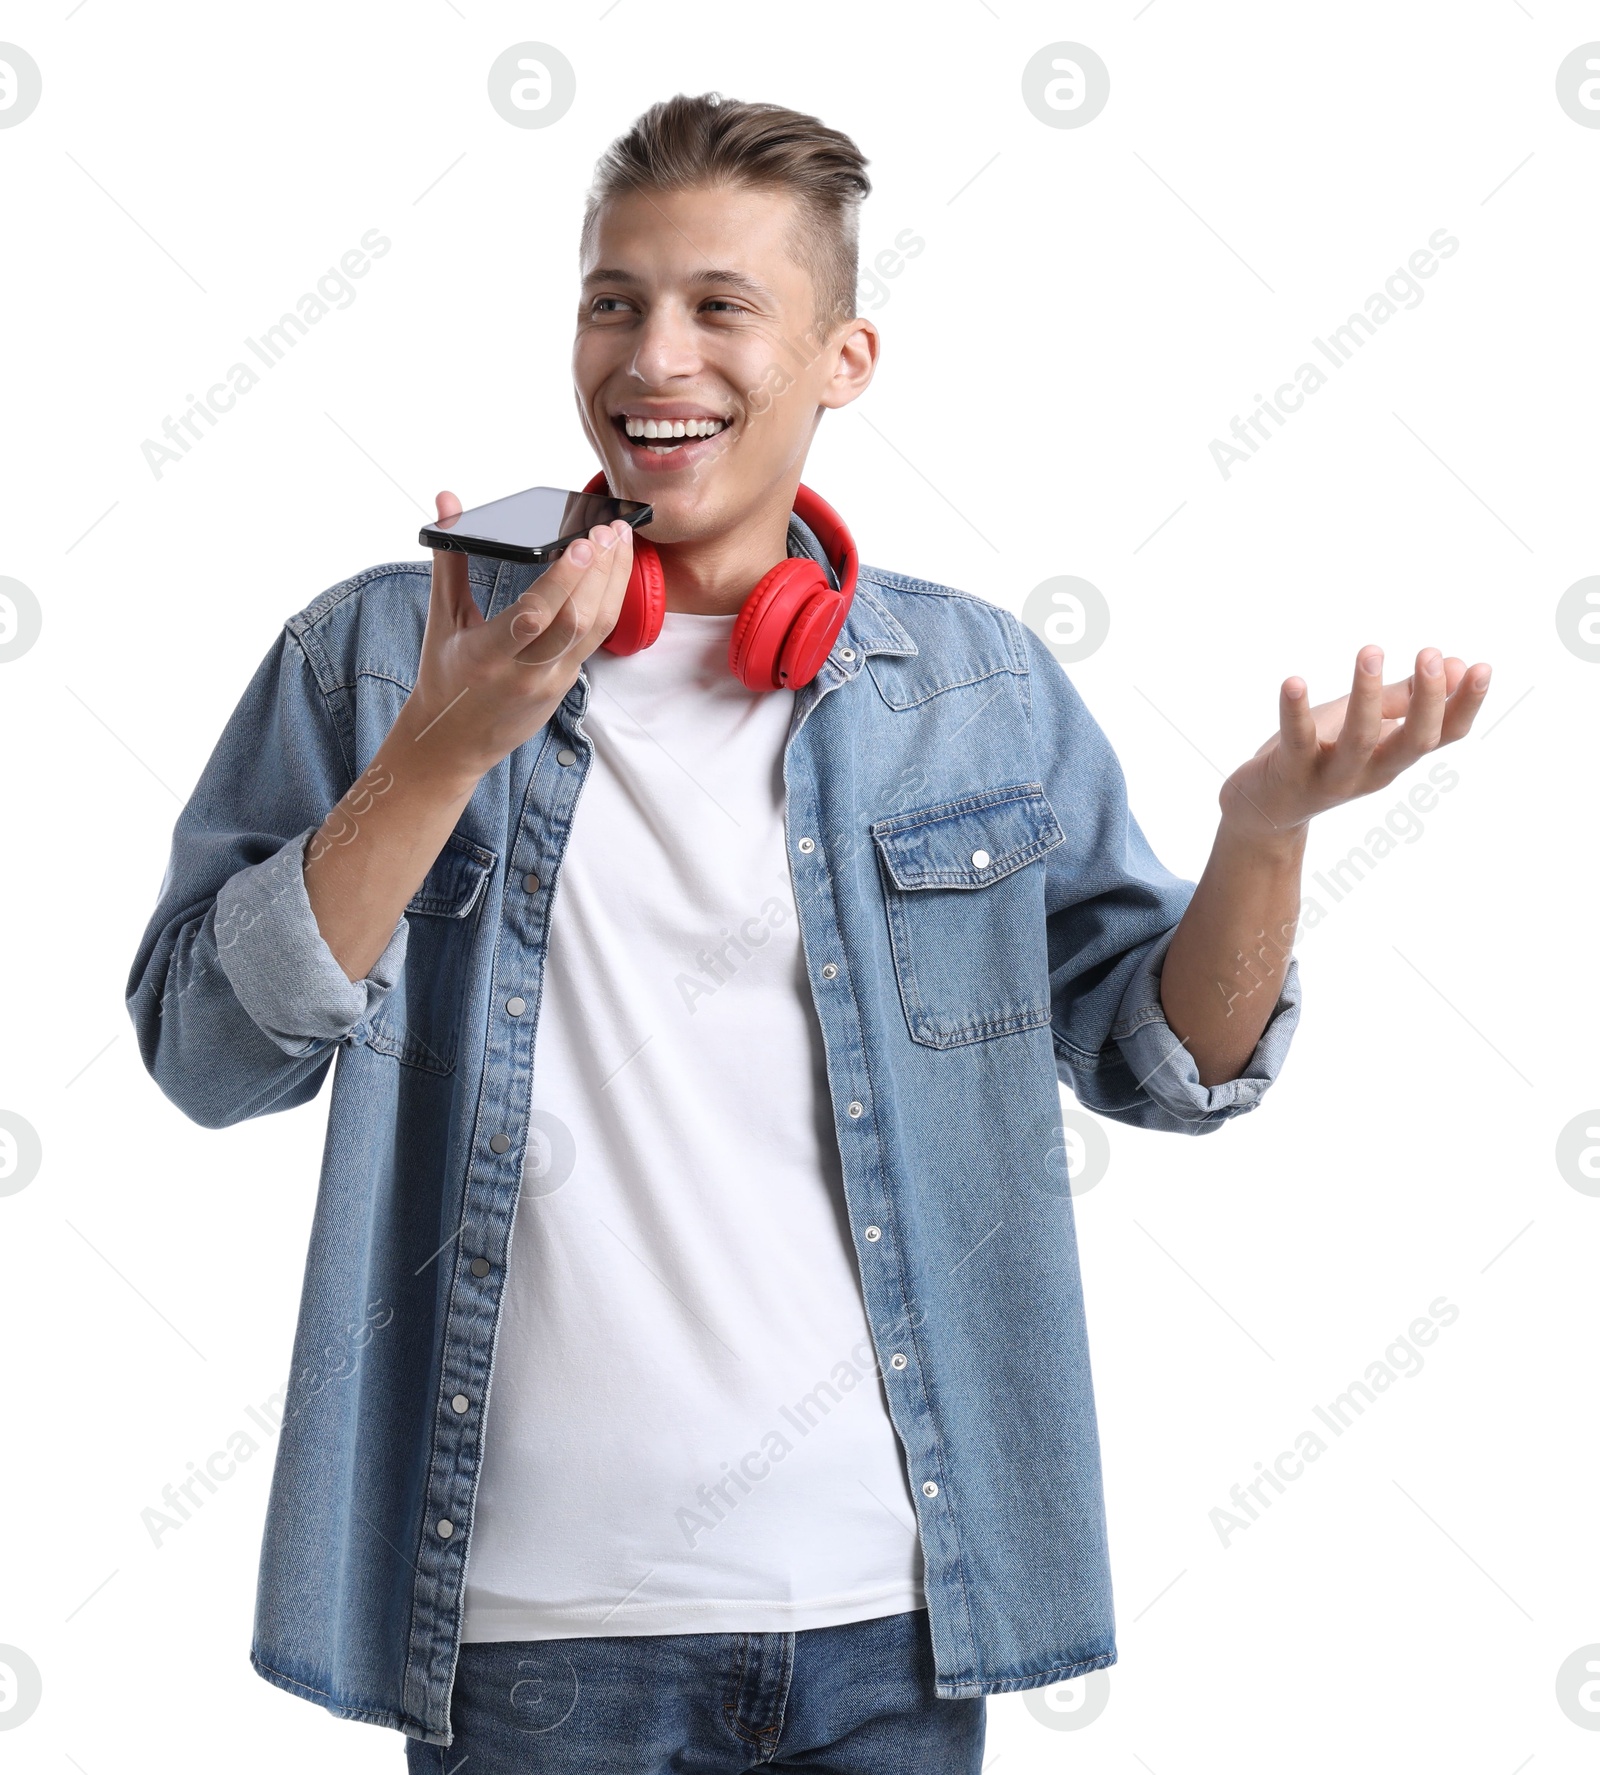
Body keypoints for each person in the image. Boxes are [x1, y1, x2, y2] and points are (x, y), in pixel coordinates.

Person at [127, 92, 1491, 1774]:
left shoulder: (974, 690)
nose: (652, 357)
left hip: (895, 1629)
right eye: (613, 300)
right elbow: (205, 1057)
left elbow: (1170, 1064)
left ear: (844, 358)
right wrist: (440, 752)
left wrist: (1264, 839)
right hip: (527, 1647)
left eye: (720, 306)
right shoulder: (381, 656)